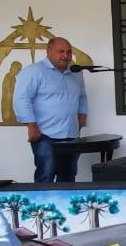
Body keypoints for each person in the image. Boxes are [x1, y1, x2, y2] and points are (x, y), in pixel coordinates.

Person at [12, 36, 88, 183]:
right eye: (61, 51)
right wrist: (31, 125)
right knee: (45, 175)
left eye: (68, 52)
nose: (65, 55)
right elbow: (21, 99)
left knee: (68, 176)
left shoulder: (76, 72)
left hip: (71, 134)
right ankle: (43, 206)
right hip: (45, 134)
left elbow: (82, 96)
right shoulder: (33, 72)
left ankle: (66, 206)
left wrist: (82, 115)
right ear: (48, 51)